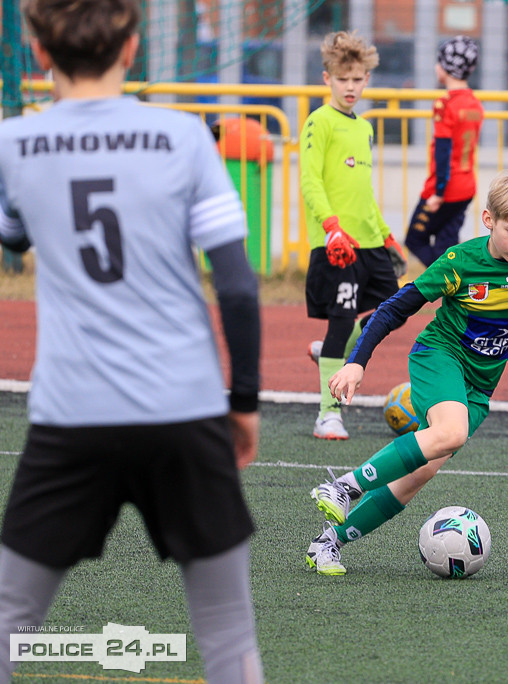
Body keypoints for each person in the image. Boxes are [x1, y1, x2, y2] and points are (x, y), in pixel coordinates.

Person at [0, 0, 263, 680]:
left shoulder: (12, 146)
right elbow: (236, 285)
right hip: (183, 407)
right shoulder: (182, 138)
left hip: (71, 414)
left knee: (8, 620)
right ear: (132, 48)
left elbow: (13, 233)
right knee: (228, 631)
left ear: (39, 53)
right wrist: (243, 401)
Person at [303, 169, 508, 576]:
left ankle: (328, 543)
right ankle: (343, 486)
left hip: (479, 386)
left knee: (417, 475)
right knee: (451, 432)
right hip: (439, 356)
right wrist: (356, 361)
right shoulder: (460, 262)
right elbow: (393, 307)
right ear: (489, 220)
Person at [301, 30, 408, 441]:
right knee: (340, 320)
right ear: (327, 78)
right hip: (336, 244)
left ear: (366, 80)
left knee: (394, 307)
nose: (351, 86)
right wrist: (331, 228)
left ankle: (333, 353)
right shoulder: (319, 121)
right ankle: (328, 414)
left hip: (368, 242)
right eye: (343, 78)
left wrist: (385, 235)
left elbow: (362, 193)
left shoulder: (364, 127)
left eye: (358, 79)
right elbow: (311, 181)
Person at [405, 35, 484, 268]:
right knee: (446, 244)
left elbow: (443, 151)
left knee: (415, 238)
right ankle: (459, 293)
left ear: (447, 68)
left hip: (446, 188)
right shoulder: (474, 104)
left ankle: (453, 285)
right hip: (467, 185)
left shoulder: (445, 104)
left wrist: (438, 191)